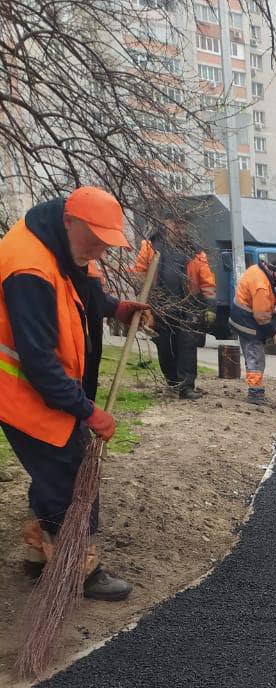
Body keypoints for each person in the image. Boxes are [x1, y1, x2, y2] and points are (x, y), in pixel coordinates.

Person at [0, 186, 149, 601]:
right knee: (69, 474)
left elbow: (84, 293)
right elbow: (40, 363)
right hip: (22, 391)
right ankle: (82, 569)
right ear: (69, 221)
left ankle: (38, 555)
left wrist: (116, 307)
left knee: (54, 473)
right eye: (94, 241)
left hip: (43, 388)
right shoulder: (28, 268)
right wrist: (88, 412)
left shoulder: (65, 249)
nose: (99, 251)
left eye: (106, 244)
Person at [133, 216, 215, 400]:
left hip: (187, 307)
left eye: (182, 224)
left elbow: (207, 282)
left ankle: (186, 386)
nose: (179, 228)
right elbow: (139, 275)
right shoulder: (150, 247)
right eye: (174, 223)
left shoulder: (195, 251)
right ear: (165, 223)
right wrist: (143, 305)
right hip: (159, 307)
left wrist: (211, 307)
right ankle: (172, 382)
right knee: (164, 346)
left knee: (187, 346)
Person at [229, 255, 276, 404]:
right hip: (246, 319)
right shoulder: (261, 284)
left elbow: (264, 307)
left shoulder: (258, 270)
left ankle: (255, 388)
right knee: (256, 355)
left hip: (243, 315)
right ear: (272, 270)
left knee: (253, 354)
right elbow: (261, 316)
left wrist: (272, 324)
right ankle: (254, 392)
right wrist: (272, 331)